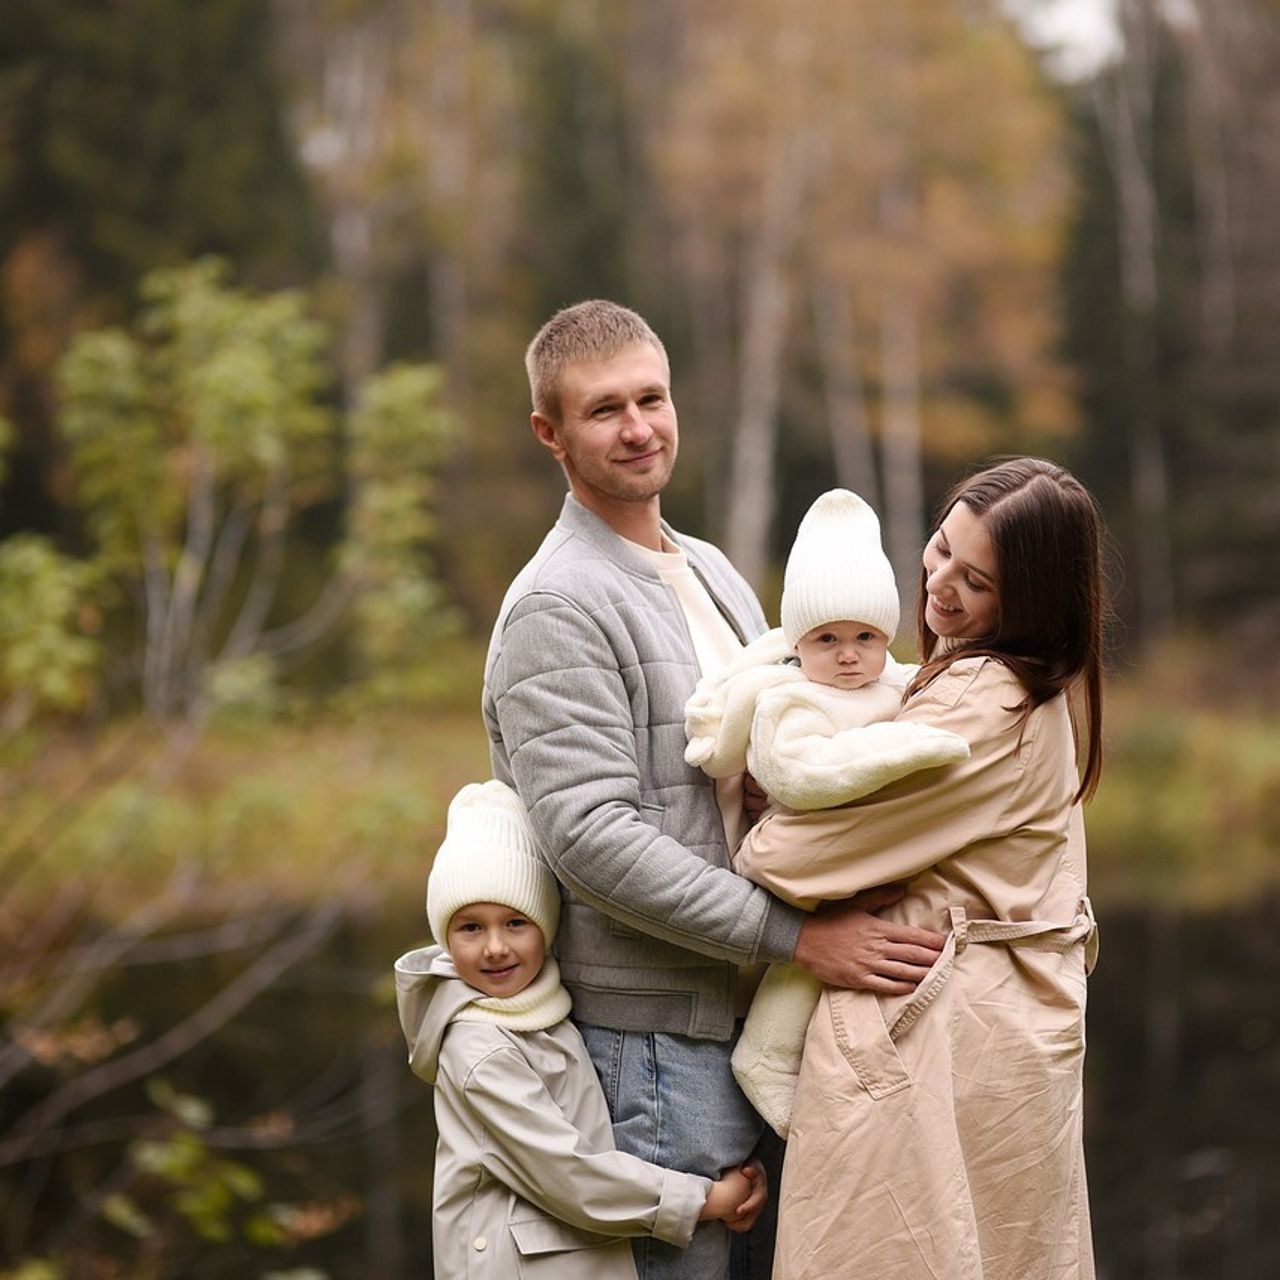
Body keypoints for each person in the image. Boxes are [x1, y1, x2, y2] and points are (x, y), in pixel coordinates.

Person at [481, 299, 947, 1280]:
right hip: (648, 1045)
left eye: (650, 396)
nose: (639, 426)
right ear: (548, 433)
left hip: (746, 1019)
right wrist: (799, 934)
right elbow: (589, 836)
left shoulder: (712, 571)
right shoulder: (557, 603)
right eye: (604, 409)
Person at [733, 457, 1107, 1280]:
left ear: (1030, 603)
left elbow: (793, 857)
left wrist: (765, 821)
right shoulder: (1006, 688)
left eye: (976, 581)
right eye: (941, 550)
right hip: (989, 1049)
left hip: (934, 1044)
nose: (939, 586)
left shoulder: (987, 700)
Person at [682, 487, 970, 1138]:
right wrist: (911, 747)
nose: (847, 655)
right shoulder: (787, 699)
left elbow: (940, 695)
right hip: (806, 874)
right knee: (796, 980)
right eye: (827, 638)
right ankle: (767, 1064)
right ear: (798, 641)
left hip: (873, 866)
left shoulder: (897, 682)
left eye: (865, 637)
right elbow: (801, 776)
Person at [394, 780, 766, 1279]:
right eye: (470, 928)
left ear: (546, 925)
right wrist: (704, 1199)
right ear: (444, 936)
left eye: (515, 923)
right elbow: (567, 1173)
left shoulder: (538, 1005)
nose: (495, 948)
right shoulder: (478, 1046)